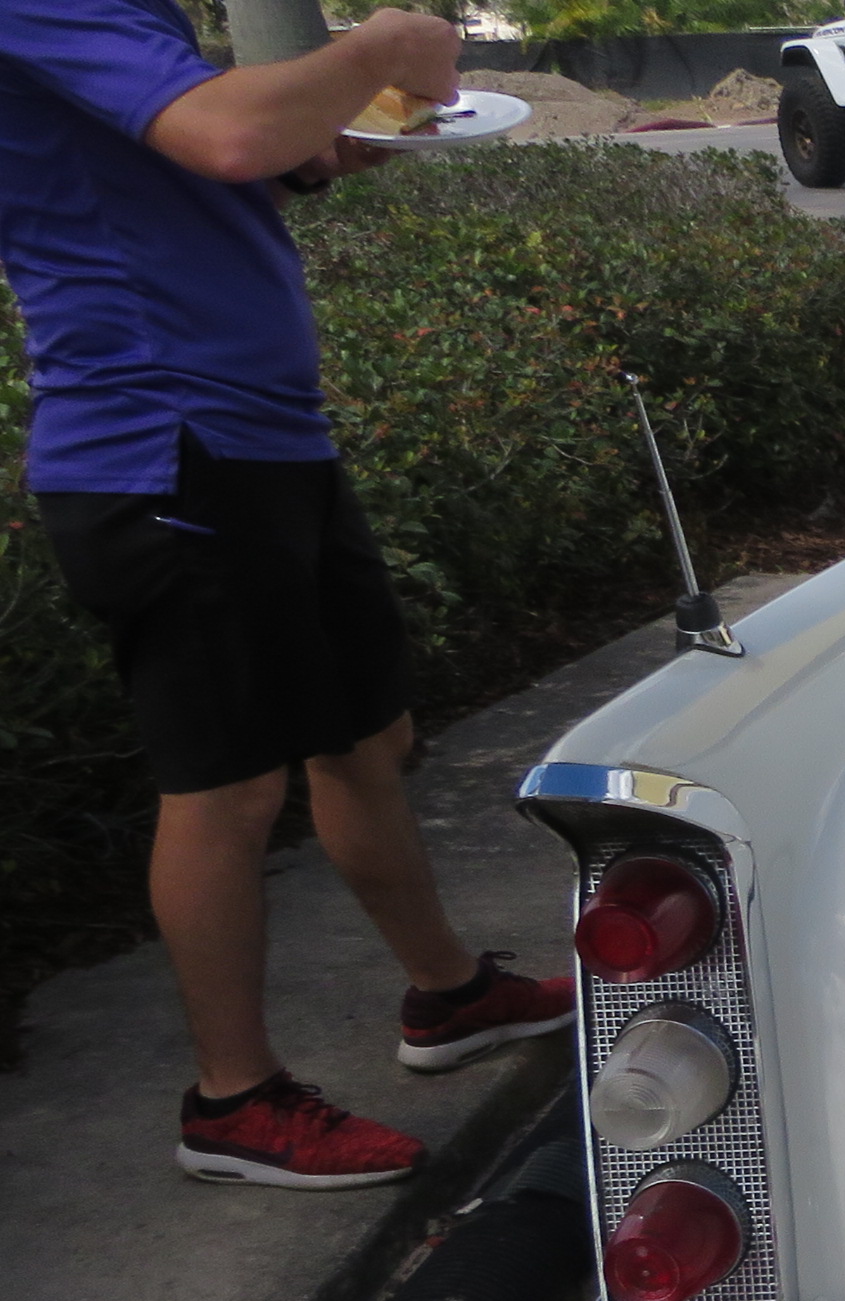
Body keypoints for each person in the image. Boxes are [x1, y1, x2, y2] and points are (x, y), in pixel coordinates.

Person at [0, 3, 572, 1192]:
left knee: (368, 736)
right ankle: (233, 1099)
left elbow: (206, 154)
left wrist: (318, 139)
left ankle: (450, 995)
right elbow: (219, 138)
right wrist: (372, 51)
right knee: (226, 784)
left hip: (260, 442)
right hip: (164, 448)